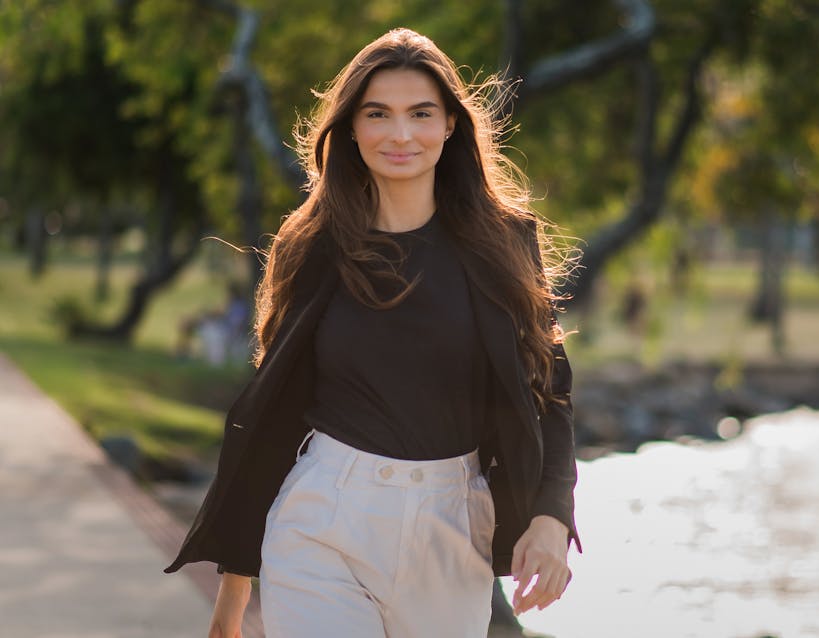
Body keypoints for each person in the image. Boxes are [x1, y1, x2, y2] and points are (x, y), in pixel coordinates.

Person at [164, 27, 582, 637]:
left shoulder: (505, 245)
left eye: (421, 114)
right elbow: (274, 413)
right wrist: (233, 590)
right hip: (324, 518)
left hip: (454, 525)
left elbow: (552, 394)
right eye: (378, 114)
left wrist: (551, 515)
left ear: (449, 127)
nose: (401, 134)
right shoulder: (312, 246)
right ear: (351, 129)